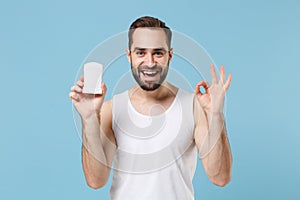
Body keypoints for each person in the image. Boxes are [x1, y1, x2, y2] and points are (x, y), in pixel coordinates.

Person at [69, 16, 232, 200]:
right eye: (140, 53)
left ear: (170, 55)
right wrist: (90, 117)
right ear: (129, 55)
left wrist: (216, 115)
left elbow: (220, 177)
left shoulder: (193, 106)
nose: (150, 62)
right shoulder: (111, 110)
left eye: (158, 53)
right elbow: (95, 180)